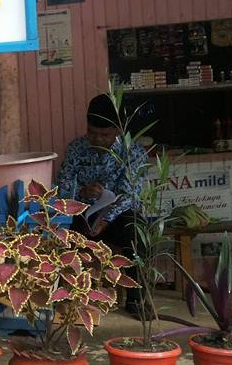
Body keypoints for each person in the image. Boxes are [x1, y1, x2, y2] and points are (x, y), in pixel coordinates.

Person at [55, 93, 147, 315]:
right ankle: (59, 295)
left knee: (136, 231)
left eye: (104, 134)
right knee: (57, 231)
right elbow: (63, 185)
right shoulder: (77, 148)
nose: (97, 139)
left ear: (118, 130)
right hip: (81, 215)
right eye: (91, 133)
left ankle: (137, 301)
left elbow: (130, 195)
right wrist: (81, 191)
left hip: (115, 217)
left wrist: (106, 218)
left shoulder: (133, 152)